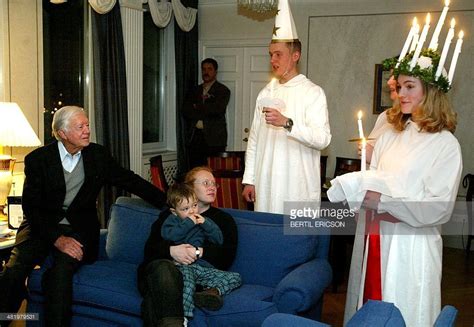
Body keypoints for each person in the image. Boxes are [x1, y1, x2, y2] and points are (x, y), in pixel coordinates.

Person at [330, 47, 462, 326]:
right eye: (399, 86)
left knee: (404, 307)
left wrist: (383, 202)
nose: (401, 93)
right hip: (375, 236)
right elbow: (374, 180)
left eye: (409, 86)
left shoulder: (445, 144)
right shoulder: (391, 134)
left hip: (411, 245)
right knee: (368, 307)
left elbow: (438, 209)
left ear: (432, 91)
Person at [0, 106, 166, 327]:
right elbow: (32, 208)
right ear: (62, 133)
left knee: (60, 272)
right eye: (81, 127)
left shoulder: (98, 155)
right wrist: (58, 239)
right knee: (14, 271)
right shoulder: (38, 160)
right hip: (42, 226)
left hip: (80, 228)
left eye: (87, 125)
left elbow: (129, 180)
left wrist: (169, 202)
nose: (87, 130)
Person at [242, 0, 331, 214]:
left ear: (295, 56)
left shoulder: (313, 92)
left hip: (296, 186)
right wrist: (249, 179)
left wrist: (287, 123)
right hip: (265, 184)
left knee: (296, 242)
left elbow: (323, 139)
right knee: (267, 237)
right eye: (270, 54)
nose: (272, 59)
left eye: (278, 54)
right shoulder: (266, 93)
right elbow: (254, 139)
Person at [138, 167, 238, 327]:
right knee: (164, 269)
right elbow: (150, 249)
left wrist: (198, 252)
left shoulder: (224, 220)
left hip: (193, 275)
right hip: (161, 269)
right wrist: (171, 251)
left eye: (214, 184)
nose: (212, 187)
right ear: (190, 187)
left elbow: (226, 256)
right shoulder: (169, 216)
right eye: (206, 183)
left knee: (155, 297)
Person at [160, 183, 241, 320]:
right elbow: (170, 235)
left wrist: (206, 223)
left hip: (200, 267)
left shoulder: (203, 221)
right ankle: (184, 317)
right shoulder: (172, 221)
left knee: (235, 277)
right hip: (182, 266)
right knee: (189, 283)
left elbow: (218, 239)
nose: (192, 211)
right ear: (175, 212)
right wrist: (189, 223)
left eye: (194, 205)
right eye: (185, 209)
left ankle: (210, 293)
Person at [182, 58, 231, 169]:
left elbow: (217, 110)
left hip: (214, 139)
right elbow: (186, 111)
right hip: (195, 138)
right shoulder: (194, 91)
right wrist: (204, 108)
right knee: (195, 171)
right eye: (203, 69)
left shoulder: (223, 90)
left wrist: (197, 106)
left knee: (213, 170)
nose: (206, 72)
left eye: (209, 69)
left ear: (215, 71)